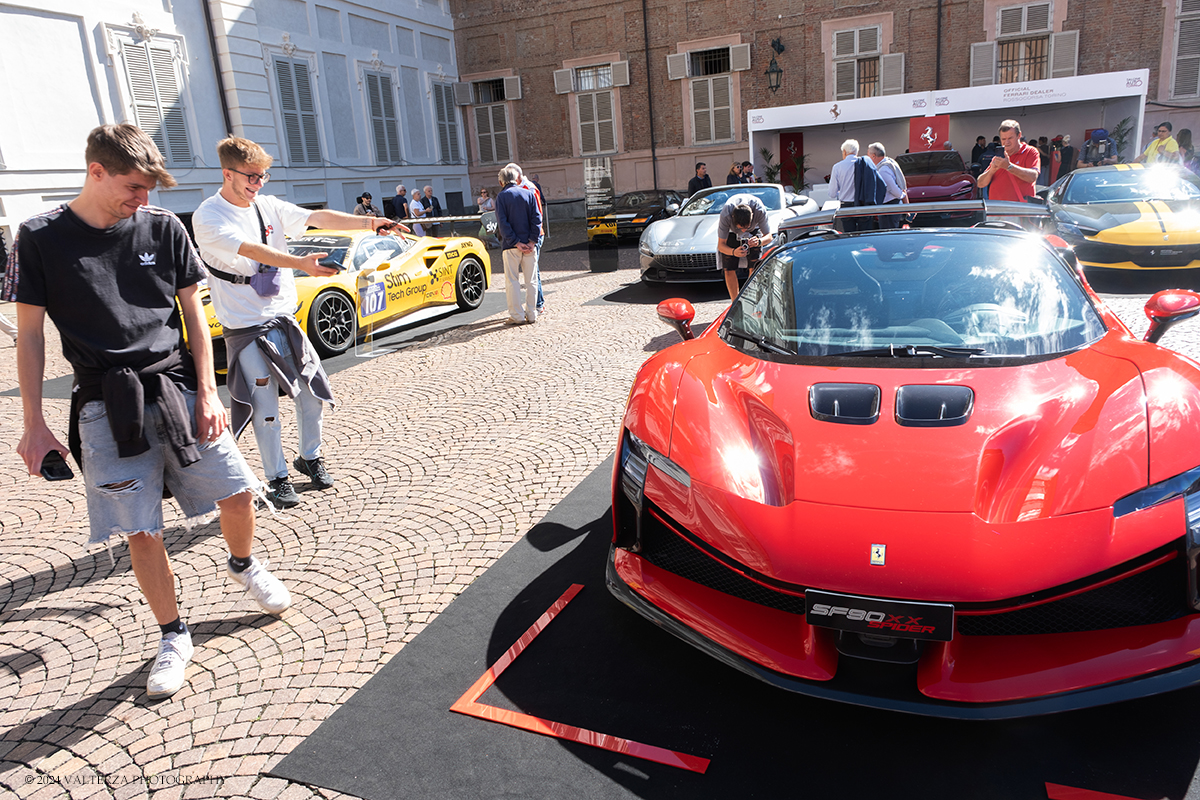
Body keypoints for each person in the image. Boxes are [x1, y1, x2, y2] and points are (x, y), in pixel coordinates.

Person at [5, 123, 292, 700]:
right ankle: (173, 634)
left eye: (149, 189)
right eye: (134, 187)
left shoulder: (162, 228)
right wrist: (33, 423)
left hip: (178, 388)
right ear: (96, 172)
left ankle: (242, 564)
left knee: (237, 492)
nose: (144, 199)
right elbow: (30, 336)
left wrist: (209, 393)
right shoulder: (38, 238)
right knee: (140, 529)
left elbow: (194, 316)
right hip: (102, 402)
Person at [193, 136, 400, 509]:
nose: (258, 184)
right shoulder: (208, 216)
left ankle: (310, 457)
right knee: (266, 406)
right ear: (228, 174)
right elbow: (252, 250)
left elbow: (316, 218)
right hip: (246, 326)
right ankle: (277, 478)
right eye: (252, 177)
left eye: (263, 177)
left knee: (312, 395)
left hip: (284, 319)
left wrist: (370, 222)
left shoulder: (266, 205)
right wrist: (302, 264)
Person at [495, 163, 541, 325]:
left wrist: (515, 242)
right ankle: (532, 313)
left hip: (511, 246)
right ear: (516, 179)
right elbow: (537, 219)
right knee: (531, 281)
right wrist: (531, 240)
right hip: (529, 244)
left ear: (501, 182)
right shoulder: (528, 194)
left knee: (512, 281)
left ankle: (517, 315)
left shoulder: (501, 197)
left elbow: (503, 223)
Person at [716, 193, 773, 301]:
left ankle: (751, 301)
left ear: (752, 217)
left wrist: (759, 241)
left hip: (754, 232)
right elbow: (721, 245)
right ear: (733, 218)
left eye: (746, 227)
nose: (743, 231)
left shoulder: (759, 209)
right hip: (731, 233)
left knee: (754, 266)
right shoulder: (726, 214)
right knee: (728, 268)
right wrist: (733, 252)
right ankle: (735, 302)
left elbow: (769, 237)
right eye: (740, 228)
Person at [977, 119, 1040, 202]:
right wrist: (991, 171)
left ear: (1019, 135)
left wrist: (1009, 167)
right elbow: (980, 183)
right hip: (996, 210)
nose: (1006, 142)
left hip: (1020, 210)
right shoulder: (999, 157)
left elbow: (1032, 177)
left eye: (1010, 138)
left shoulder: (1030, 152)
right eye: (1003, 139)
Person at [867, 142, 908, 229]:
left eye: (869, 155)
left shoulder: (883, 170)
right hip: (891, 206)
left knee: (889, 236)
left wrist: (902, 196)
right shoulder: (890, 162)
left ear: (873, 156)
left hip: (889, 208)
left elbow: (894, 190)